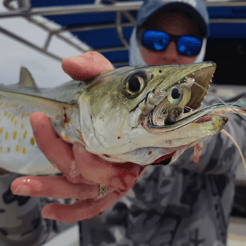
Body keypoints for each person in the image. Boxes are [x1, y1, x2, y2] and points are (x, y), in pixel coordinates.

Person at [8, 0, 246, 245]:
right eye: (156, 39)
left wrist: (165, 144)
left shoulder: (227, 112)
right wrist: (8, 169)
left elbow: (232, 144)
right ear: (136, 39)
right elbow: (25, 234)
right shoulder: (75, 142)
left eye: (189, 45)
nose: (171, 54)